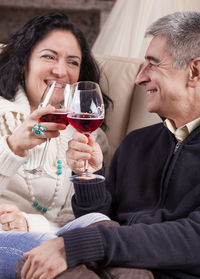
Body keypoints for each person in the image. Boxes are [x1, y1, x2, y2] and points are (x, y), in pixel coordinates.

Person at [16, 10, 200, 279]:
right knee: (34, 264)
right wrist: (88, 177)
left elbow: (193, 238)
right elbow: (99, 219)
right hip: (113, 268)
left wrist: (77, 246)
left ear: (194, 70)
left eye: (152, 64)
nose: (139, 78)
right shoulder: (136, 143)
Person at [0, 11, 112, 278]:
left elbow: (78, 221)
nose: (61, 71)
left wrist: (89, 176)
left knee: (103, 225)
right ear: (24, 61)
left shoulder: (87, 134)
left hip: (53, 236)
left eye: (72, 62)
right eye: (49, 56)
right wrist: (13, 147)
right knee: (76, 257)